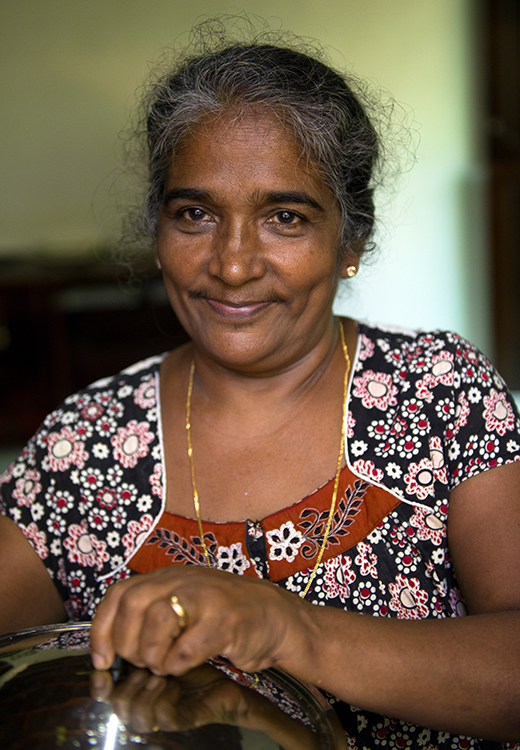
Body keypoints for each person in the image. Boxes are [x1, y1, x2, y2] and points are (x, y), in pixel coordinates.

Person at [1, 26, 520, 749]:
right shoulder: (82, 448)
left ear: (351, 241)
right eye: (196, 214)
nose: (235, 265)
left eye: (285, 217)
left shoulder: (439, 395)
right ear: (157, 230)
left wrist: (285, 625)